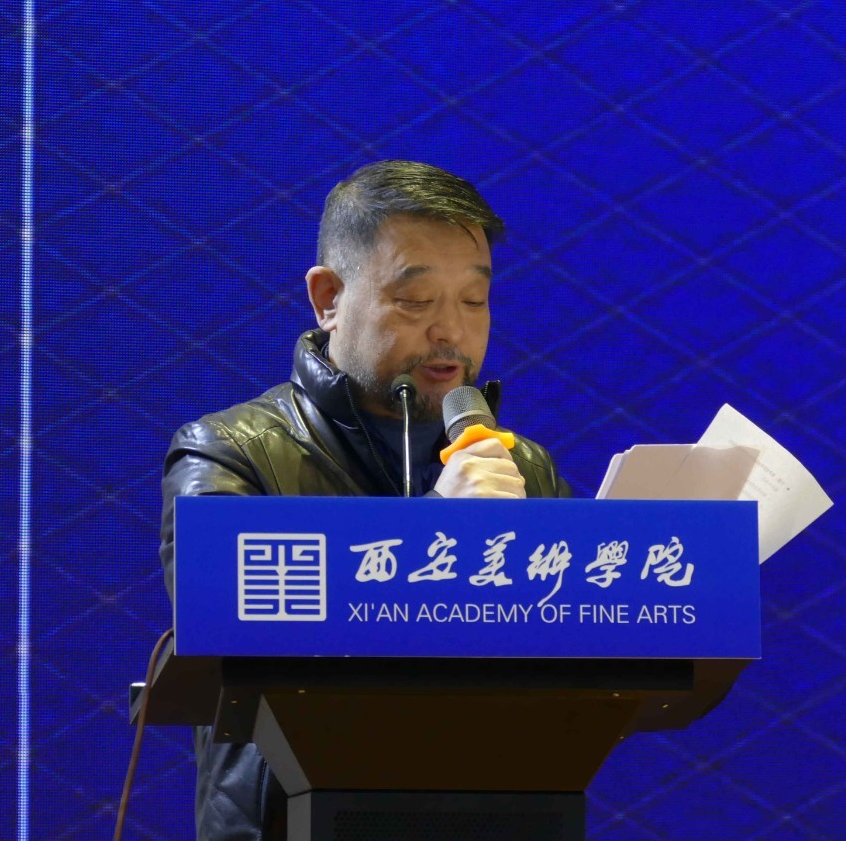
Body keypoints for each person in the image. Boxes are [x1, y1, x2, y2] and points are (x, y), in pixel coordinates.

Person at [159, 160, 575, 841]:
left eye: (474, 300)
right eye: (416, 300)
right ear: (328, 298)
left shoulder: (520, 469)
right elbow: (236, 623)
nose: (451, 332)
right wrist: (438, 532)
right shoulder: (229, 453)